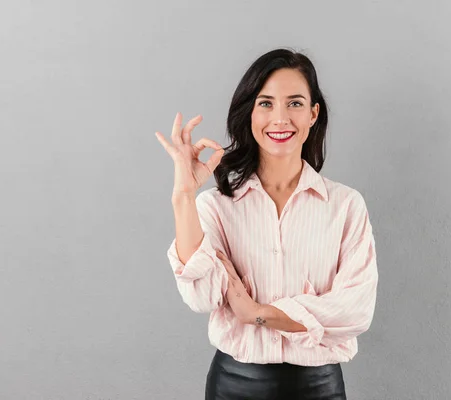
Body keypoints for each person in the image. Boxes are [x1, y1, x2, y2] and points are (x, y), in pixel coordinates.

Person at [155, 48, 378, 400]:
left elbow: (355, 310)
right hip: (234, 385)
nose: (280, 119)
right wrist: (183, 196)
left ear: (313, 114)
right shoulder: (216, 206)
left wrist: (258, 313)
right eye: (266, 103)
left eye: (294, 103)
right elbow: (200, 296)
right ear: (250, 113)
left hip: (319, 388)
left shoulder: (346, 206)